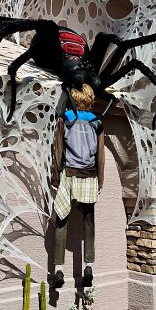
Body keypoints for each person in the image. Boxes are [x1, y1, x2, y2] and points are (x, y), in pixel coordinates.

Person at [50, 83, 105, 290]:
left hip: (68, 174)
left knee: (61, 219)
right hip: (89, 175)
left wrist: (55, 179)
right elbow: (100, 154)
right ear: (90, 98)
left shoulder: (65, 119)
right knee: (89, 221)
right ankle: (88, 266)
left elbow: (58, 149)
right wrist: (100, 180)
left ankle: (58, 270)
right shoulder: (96, 122)